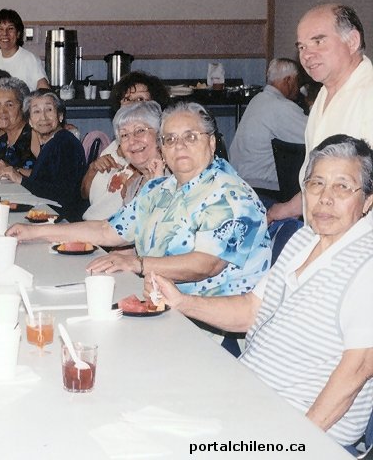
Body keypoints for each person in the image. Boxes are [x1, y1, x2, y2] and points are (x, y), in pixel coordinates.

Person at [149, 134, 373, 450]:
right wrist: (181, 302)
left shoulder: (367, 264)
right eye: (316, 184)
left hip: (297, 427)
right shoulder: (304, 239)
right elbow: (251, 311)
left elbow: (357, 371)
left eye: (342, 187)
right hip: (247, 400)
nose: (325, 198)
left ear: (367, 200)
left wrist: (295, 445)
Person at [7, 101, 271, 297]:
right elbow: (107, 230)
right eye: (170, 139)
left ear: (212, 143)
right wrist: (35, 232)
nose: (179, 145)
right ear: (162, 147)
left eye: (190, 137)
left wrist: (137, 263)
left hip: (205, 325)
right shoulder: (161, 188)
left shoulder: (230, 194)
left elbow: (206, 264)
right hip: (159, 304)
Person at [268, 3, 373, 223]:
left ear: (352, 41)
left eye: (318, 41)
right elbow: (320, 180)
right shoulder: (325, 93)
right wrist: (287, 209)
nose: (307, 55)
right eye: (302, 47)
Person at [0, 90, 88, 221]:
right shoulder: (53, 141)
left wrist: (20, 179)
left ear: (60, 116)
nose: (43, 117)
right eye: (36, 111)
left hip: (62, 220)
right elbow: (45, 180)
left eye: (49, 109)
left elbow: (62, 193)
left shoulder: (65, 143)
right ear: (30, 121)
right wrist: (16, 172)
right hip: (50, 211)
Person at [228, 58, 308, 202]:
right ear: (288, 80)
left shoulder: (258, 99)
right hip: (262, 188)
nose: (298, 88)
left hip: (240, 181)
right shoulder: (281, 107)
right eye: (297, 82)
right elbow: (315, 134)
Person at [82, 101, 167, 221]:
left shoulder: (172, 177)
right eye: (124, 135)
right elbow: (121, 231)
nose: (132, 141)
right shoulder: (135, 186)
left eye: (140, 131)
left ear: (159, 133)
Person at [0, 9, 49, 90]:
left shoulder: (30, 59)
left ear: (18, 33)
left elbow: (44, 90)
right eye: (0, 29)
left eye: (10, 28)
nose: (5, 33)